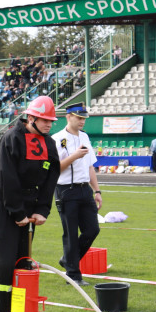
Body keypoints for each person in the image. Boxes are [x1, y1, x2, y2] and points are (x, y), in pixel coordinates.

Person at [0, 96, 59, 312]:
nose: (49, 125)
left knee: (24, 263)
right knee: (6, 263)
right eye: (44, 120)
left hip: (29, 206)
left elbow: (51, 178)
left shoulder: (49, 144)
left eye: (51, 121)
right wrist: (17, 212)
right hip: (4, 205)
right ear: (31, 118)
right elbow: (7, 178)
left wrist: (42, 209)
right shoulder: (11, 139)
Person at [52, 103, 102, 287]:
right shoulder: (57, 139)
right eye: (79, 117)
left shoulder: (85, 137)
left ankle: (68, 260)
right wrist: (74, 156)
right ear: (68, 117)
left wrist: (97, 191)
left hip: (84, 190)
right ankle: (73, 275)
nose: (82, 121)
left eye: (83, 118)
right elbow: (55, 169)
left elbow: (90, 166)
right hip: (66, 189)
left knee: (92, 229)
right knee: (71, 233)